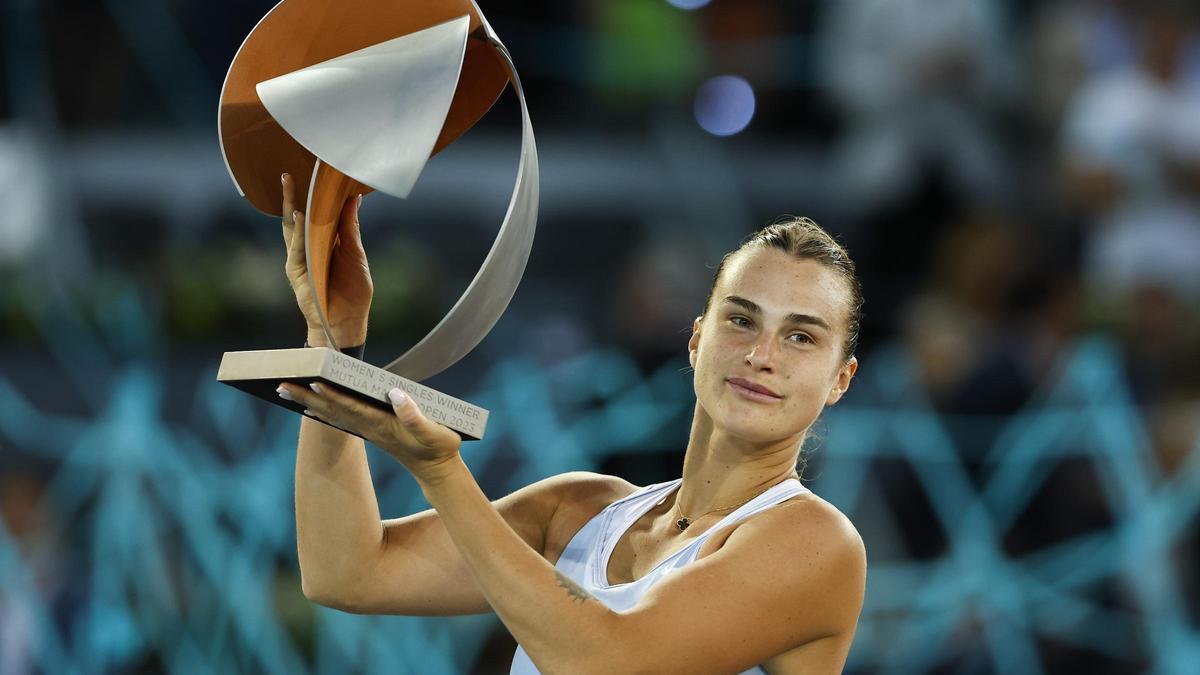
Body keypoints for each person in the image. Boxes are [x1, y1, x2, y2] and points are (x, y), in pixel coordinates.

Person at [274, 173, 867, 674]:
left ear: (840, 379)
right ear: (695, 340)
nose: (761, 355)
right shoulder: (576, 509)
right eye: (740, 320)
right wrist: (336, 339)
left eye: (800, 337)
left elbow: (604, 661)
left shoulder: (816, 544)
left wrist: (441, 472)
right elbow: (346, 572)